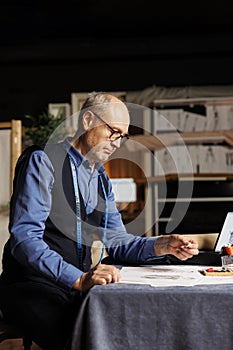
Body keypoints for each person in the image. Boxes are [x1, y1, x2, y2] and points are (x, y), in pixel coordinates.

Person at [0, 92, 199, 350]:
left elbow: (116, 242)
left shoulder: (101, 178)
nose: (117, 143)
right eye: (112, 131)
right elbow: (25, 241)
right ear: (88, 121)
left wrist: (163, 245)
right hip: (30, 284)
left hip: (74, 285)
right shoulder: (43, 161)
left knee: (124, 326)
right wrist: (79, 280)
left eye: (122, 136)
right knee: (85, 336)